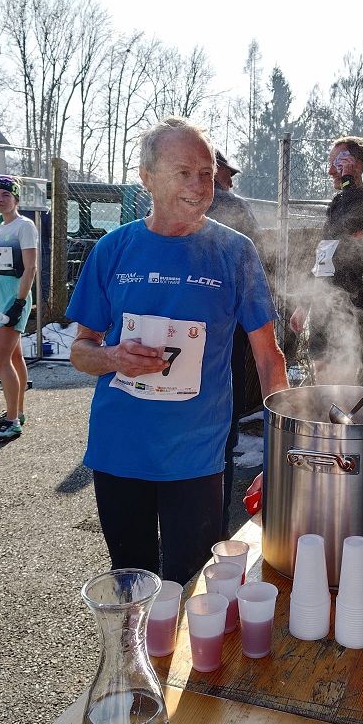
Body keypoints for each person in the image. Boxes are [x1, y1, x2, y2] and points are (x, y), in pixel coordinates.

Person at [68, 116, 288, 586]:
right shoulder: (113, 249)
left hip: (196, 457)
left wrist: (280, 453)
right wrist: (113, 357)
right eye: (183, 172)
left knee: (193, 590)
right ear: (146, 178)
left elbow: (269, 358)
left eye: (206, 173)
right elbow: (81, 350)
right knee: (132, 583)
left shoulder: (234, 252)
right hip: (119, 450)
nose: (199, 185)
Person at [289, 136, 363, 385]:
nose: (330, 170)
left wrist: (349, 182)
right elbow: (324, 254)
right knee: (321, 377)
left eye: (337, 163)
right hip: (321, 304)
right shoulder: (338, 203)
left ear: (355, 165)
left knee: (341, 385)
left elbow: (354, 230)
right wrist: (304, 305)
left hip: (347, 304)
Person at [206, 148, 260, 537]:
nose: (230, 180)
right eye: (228, 173)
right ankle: (214, 523)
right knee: (223, 415)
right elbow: (258, 258)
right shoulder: (232, 206)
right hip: (229, 324)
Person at [0, 176, 38, 441]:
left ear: (16, 198)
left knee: (0, 359)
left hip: (13, 297)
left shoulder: (24, 226)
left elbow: (31, 268)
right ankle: (16, 411)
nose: (0, 199)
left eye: (6, 194)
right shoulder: (1, 227)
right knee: (15, 357)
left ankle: (12, 421)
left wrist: (19, 302)